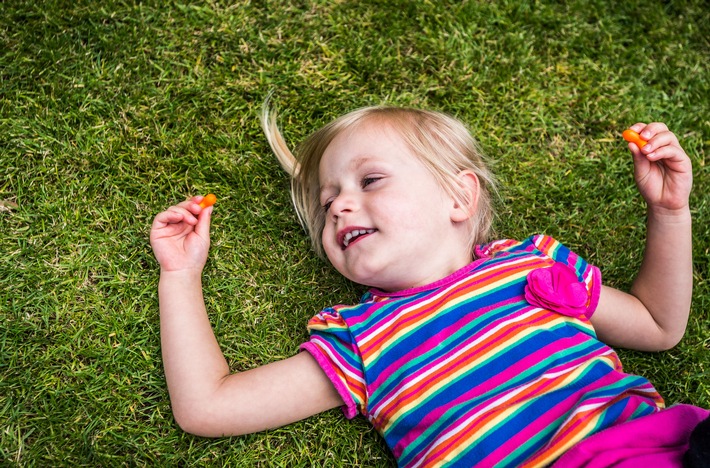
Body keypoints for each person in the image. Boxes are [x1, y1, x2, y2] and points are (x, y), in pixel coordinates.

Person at [150, 104, 709, 467]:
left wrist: (668, 213)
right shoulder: (359, 340)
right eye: (326, 206)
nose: (341, 205)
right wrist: (179, 275)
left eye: (370, 181)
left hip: (642, 451)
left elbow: (658, 324)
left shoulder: (530, 265)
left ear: (458, 198)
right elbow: (207, 407)